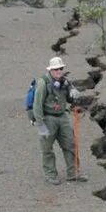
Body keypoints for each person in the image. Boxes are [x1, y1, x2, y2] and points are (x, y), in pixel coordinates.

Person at [30, 56, 87, 185]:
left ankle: (73, 173)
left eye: (60, 69)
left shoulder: (65, 82)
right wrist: (40, 125)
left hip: (62, 117)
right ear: (50, 70)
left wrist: (74, 95)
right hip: (48, 118)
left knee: (70, 144)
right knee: (47, 148)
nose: (59, 71)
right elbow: (37, 105)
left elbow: (69, 99)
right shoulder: (43, 83)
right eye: (56, 69)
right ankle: (51, 175)